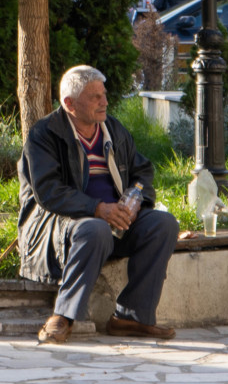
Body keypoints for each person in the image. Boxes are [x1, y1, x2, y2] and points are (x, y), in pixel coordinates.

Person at [18, 65, 181, 345]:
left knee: (164, 224)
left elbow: (142, 171)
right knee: (95, 229)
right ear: (69, 103)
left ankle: (132, 316)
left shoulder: (113, 129)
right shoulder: (44, 134)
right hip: (62, 226)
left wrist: (135, 200)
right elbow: (48, 192)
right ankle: (64, 316)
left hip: (115, 221)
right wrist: (98, 208)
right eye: (95, 97)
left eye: (103, 94)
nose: (104, 101)